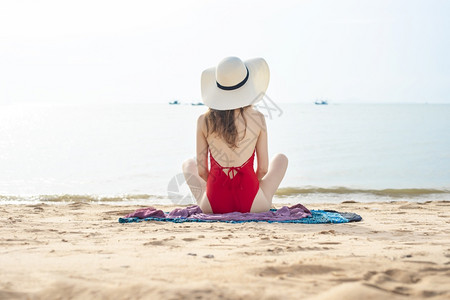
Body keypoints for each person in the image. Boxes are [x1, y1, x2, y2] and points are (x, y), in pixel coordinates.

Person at [182, 57, 288, 214]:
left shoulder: (203, 120)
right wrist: (249, 189)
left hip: (213, 205)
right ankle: (262, 198)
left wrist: (218, 186)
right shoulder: (258, 118)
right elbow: (263, 169)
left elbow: (202, 172)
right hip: (252, 202)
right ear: (247, 87)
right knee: (281, 159)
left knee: (188, 164)